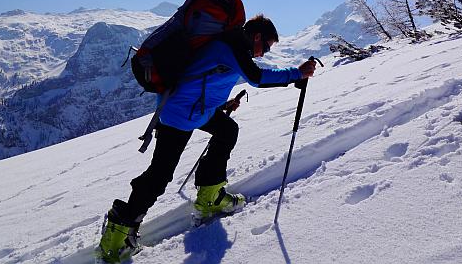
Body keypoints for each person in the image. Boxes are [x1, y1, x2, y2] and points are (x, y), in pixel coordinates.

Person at [97, 14, 317, 263]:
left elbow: (206, 77)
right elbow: (256, 78)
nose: (263, 53)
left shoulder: (231, 44)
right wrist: (296, 74)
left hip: (195, 110)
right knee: (160, 175)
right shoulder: (232, 46)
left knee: (227, 130)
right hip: (180, 114)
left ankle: (210, 196)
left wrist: (222, 104)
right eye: (265, 47)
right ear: (256, 36)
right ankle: (117, 234)